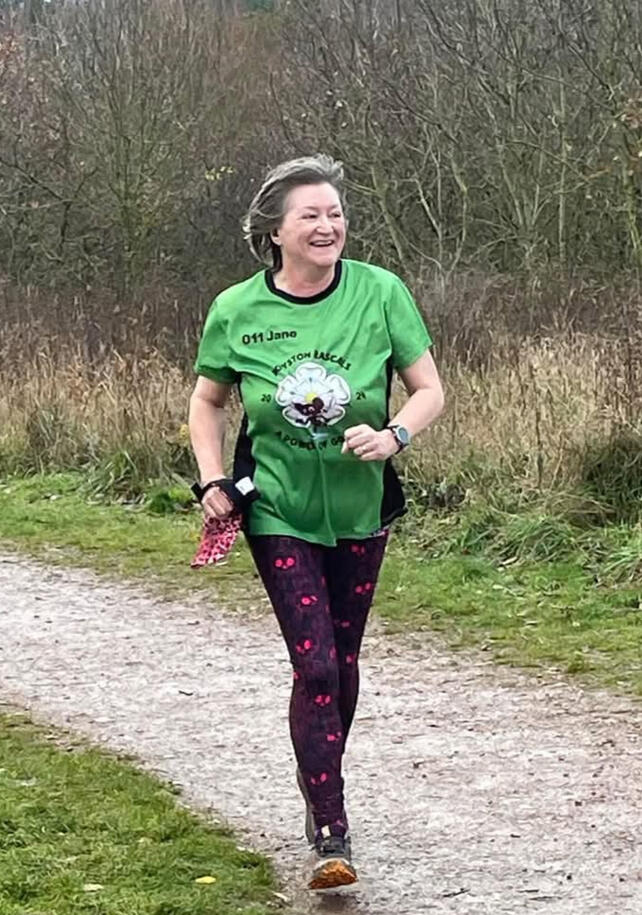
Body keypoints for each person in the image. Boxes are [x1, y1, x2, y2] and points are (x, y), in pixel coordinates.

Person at [188, 154, 444, 891]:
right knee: (317, 664)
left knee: (346, 662)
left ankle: (314, 776)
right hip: (278, 507)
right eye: (312, 215)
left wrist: (394, 434)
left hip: (363, 505)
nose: (328, 225)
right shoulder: (237, 309)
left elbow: (429, 388)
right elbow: (206, 402)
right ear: (276, 230)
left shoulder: (381, 292)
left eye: (335, 213)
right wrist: (212, 478)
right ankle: (332, 827)